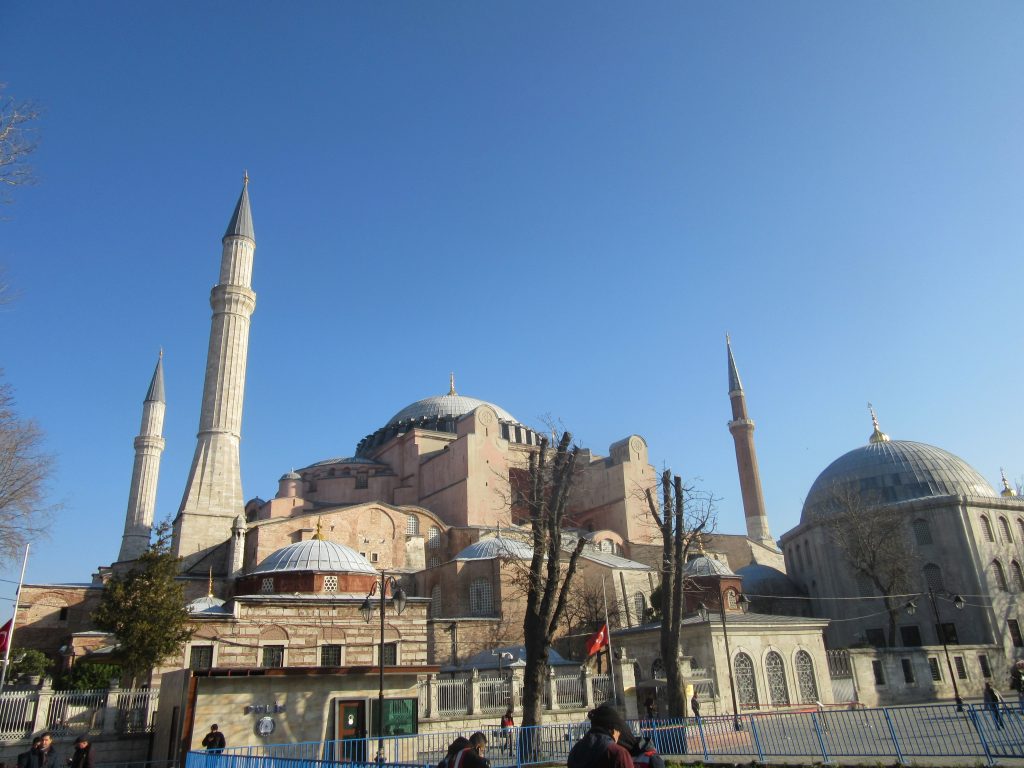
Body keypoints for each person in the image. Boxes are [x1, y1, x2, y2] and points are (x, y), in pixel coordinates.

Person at [566, 703, 633, 768]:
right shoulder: (618, 753)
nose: (618, 736)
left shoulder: (575, 750)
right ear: (613, 730)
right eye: (618, 731)